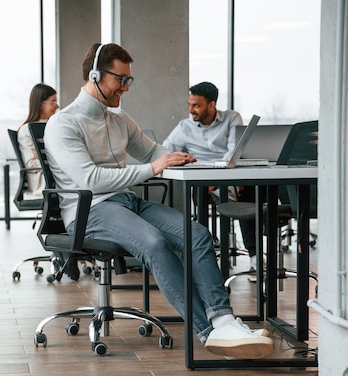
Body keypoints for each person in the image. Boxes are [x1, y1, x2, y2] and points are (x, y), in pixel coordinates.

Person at [43, 42, 273, 359]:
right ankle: (209, 332)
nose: (125, 87)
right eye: (120, 79)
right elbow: (90, 179)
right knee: (153, 243)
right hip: (91, 211)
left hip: (126, 202)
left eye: (129, 80)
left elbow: (152, 151)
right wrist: (154, 167)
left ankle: (224, 319)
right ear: (95, 75)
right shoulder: (63, 123)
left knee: (198, 235)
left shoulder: (118, 119)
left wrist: (179, 159)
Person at [162, 82, 258, 272]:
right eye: (189, 104)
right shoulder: (185, 127)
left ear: (212, 105)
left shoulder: (231, 118)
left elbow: (233, 153)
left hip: (229, 175)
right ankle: (206, 252)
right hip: (202, 181)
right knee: (202, 189)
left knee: (248, 192)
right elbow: (166, 150)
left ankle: (254, 255)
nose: (191, 110)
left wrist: (217, 179)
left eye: (196, 105)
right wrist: (178, 158)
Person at [16, 83, 59, 199]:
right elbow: (30, 163)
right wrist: (59, 162)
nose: (57, 106)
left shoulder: (53, 126)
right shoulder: (26, 130)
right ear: (40, 104)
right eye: (53, 102)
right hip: (44, 183)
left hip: (57, 179)